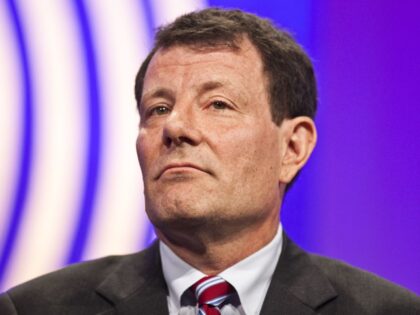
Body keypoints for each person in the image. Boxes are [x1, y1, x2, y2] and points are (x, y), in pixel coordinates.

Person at [0, 8, 419, 315]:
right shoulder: (35, 308)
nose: (176, 127)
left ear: (292, 148)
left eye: (218, 104)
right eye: (158, 109)